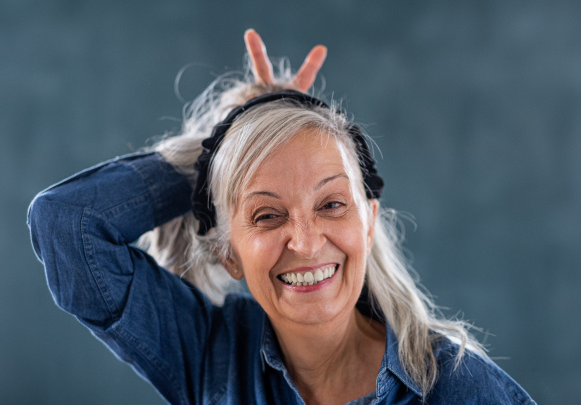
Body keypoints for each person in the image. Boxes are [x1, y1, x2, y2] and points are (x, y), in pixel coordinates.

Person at [28, 29, 535, 404]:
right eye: (267, 216)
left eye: (332, 204)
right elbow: (66, 224)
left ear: (369, 220)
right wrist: (229, 141)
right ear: (228, 252)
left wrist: (253, 144)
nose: (306, 241)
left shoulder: (456, 386)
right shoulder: (212, 355)